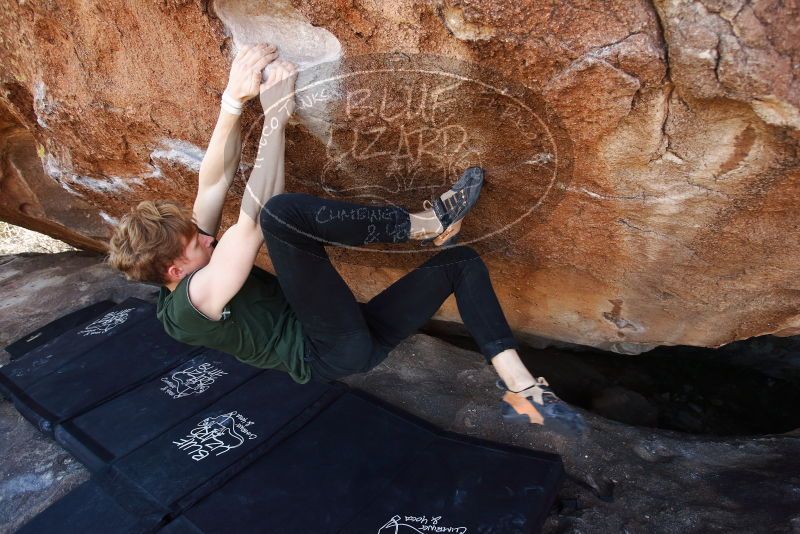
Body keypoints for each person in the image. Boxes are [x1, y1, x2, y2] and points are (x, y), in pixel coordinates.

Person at [107, 43, 584, 436]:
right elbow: (252, 224)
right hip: (327, 348)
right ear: (174, 271)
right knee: (281, 215)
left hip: (353, 337)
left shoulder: (186, 261)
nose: (207, 241)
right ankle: (427, 223)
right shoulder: (194, 302)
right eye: (198, 245)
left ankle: (522, 388)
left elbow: (211, 183)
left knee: (460, 264)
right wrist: (275, 115)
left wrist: (233, 101)